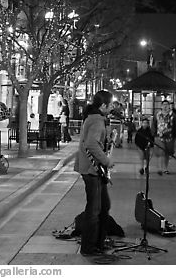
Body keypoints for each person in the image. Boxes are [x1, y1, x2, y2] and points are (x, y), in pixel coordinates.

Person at [74, 90, 114, 255]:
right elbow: (91, 144)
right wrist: (106, 160)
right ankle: (89, 247)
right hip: (92, 169)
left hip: (92, 168)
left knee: (104, 206)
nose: (112, 108)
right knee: (95, 209)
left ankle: (98, 241)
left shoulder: (94, 118)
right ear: (103, 105)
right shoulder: (97, 120)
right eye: (110, 105)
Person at [151, 100, 176, 175]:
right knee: (161, 152)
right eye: (164, 104)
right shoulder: (157, 114)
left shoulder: (173, 115)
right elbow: (154, 124)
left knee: (167, 152)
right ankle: (160, 168)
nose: (165, 106)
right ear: (161, 106)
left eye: (167, 104)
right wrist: (153, 134)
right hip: (159, 136)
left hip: (170, 137)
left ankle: (165, 168)